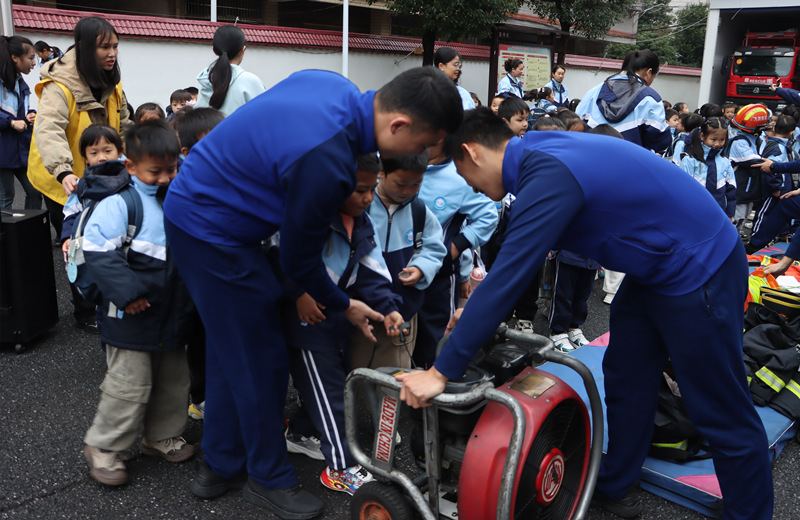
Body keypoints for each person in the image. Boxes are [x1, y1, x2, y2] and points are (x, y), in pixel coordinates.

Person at [396, 108, 773, 520]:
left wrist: (438, 374)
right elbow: (514, 261)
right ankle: (616, 484)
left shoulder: (547, 173)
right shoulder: (536, 156)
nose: (472, 186)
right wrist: (472, 312)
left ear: (471, 152)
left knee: (719, 407)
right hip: (655, 267)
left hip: (701, 265)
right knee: (627, 376)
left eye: (465, 176)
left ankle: (749, 514)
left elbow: (508, 276)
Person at [162, 67, 462, 519]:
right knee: (261, 356)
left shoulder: (334, 85)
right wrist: (345, 304)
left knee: (232, 349)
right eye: (421, 146)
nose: (419, 155)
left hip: (202, 212)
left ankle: (221, 464)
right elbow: (299, 263)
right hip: (212, 232)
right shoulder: (328, 163)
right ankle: (267, 477)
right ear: (398, 124)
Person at [81, 121, 196, 487]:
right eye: (155, 171)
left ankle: (159, 436)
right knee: (128, 386)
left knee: (174, 381)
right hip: (130, 316)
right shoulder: (120, 204)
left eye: (171, 169)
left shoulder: (178, 198)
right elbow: (98, 251)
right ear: (131, 166)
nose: (165, 178)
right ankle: (104, 448)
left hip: (172, 313)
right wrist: (128, 294)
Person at [281, 158, 404, 496]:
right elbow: (286, 255)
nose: (368, 197)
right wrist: (299, 294)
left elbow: (373, 268)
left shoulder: (361, 221)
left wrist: (389, 308)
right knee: (331, 395)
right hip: (307, 319)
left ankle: (300, 431)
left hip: (337, 315)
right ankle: (340, 466)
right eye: (360, 190)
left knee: (334, 385)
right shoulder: (311, 215)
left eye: (371, 187)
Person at [27, 16, 133, 334]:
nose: (112, 52)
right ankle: (85, 308)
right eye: (104, 47)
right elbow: (48, 131)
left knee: (107, 236)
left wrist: (139, 158)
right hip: (63, 178)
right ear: (86, 48)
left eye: (115, 46)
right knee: (77, 243)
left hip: (102, 174)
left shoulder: (111, 80)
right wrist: (62, 173)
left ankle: (109, 298)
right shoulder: (60, 86)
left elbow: (125, 121)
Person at [349, 152, 446, 370]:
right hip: (361, 307)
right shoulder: (361, 205)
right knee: (354, 367)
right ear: (381, 173)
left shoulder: (419, 211)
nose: (408, 191)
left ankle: (385, 405)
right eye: (401, 184)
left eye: (416, 184)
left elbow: (434, 247)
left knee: (394, 374)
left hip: (403, 310)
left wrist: (421, 268)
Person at [413, 137, 498, 369]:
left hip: (439, 277)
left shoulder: (459, 174)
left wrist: (457, 246)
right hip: (397, 272)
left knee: (436, 338)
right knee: (402, 337)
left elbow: (489, 216)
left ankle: (436, 393)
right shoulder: (401, 161)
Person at [170, 107, 225, 422]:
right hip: (191, 282)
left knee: (215, 339)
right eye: (210, 145)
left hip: (219, 282)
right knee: (198, 340)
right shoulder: (182, 188)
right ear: (186, 153)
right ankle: (199, 396)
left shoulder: (230, 176)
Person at [575, 50, 671, 154]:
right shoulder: (651, 98)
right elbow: (660, 142)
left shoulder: (594, 92)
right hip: (631, 164)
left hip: (591, 157)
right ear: (648, 72)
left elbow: (575, 125)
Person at [1, 35, 42, 210]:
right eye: (31, 58)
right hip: (3, 151)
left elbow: (21, 111)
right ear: (15, 57)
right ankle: (6, 236)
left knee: (34, 192)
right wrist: (10, 123)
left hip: (21, 151)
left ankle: (26, 232)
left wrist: (29, 115)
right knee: (6, 198)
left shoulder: (19, 81)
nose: (34, 63)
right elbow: (10, 117)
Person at [195, 25, 265, 117]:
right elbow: (264, 116)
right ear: (242, 50)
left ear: (215, 51)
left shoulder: (205, 79)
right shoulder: (251, 81)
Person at [678, 117, 736, 219]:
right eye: (713, 139)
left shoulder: (726, 162)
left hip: (718, 214)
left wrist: (730, 214)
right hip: (693, 214)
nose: (717, 144)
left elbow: (731, 190)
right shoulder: (690, 161)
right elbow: (682, 190)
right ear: (702, 136)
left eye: (722, 139)